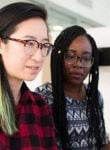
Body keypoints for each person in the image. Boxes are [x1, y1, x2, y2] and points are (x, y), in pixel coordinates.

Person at [35, 25, 110, 150]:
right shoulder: (43, 97)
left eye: (86, 58)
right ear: (59, 58)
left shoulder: (94, 96)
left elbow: (100, 145)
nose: (79, 64)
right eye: (70, 56)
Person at [0, 2, 57, 149]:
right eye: (29, 43)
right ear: (1, 44)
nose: (39, 57)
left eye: (44, 45)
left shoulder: (40, 105)